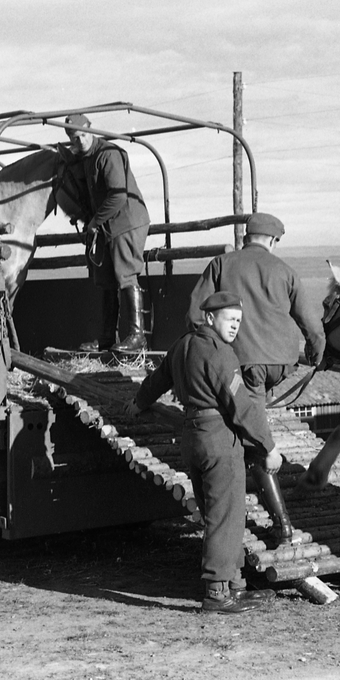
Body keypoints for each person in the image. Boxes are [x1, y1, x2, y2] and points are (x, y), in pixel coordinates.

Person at [125, 292, 283, 614]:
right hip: (218, 440)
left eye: (238, 321)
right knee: (225, 517)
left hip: (192, 437)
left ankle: (235, 584)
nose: (235, 326)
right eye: (229, 319)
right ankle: (216, 591)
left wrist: (139, 402)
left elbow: (157, 379)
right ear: (210, 318)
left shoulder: (182, 345)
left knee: (221, 514)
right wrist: (268, 446)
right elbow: (242, 408)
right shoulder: (219, 353)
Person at [186, 213, 324, 544]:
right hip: (280, 363)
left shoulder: (221, 263)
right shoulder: (285, 271)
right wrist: (317, 356)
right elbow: (310, 323)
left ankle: (282, 524)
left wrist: (207, 350)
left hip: (244, 362)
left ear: (245, 235)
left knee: (254, 436)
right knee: (250, 417)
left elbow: (194, 315)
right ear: (273, 241)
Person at [63, 113, 151, 353]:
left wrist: (93, 223)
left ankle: (137, 335)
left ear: (91, 130)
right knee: (106, 280)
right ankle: (106, 338)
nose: (80, 141)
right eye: (74, 138)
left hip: (126, 221)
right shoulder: (89, 158)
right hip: (108, 225)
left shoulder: (108, 154)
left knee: (126, 274)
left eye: (82, 135)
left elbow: (118, 195)